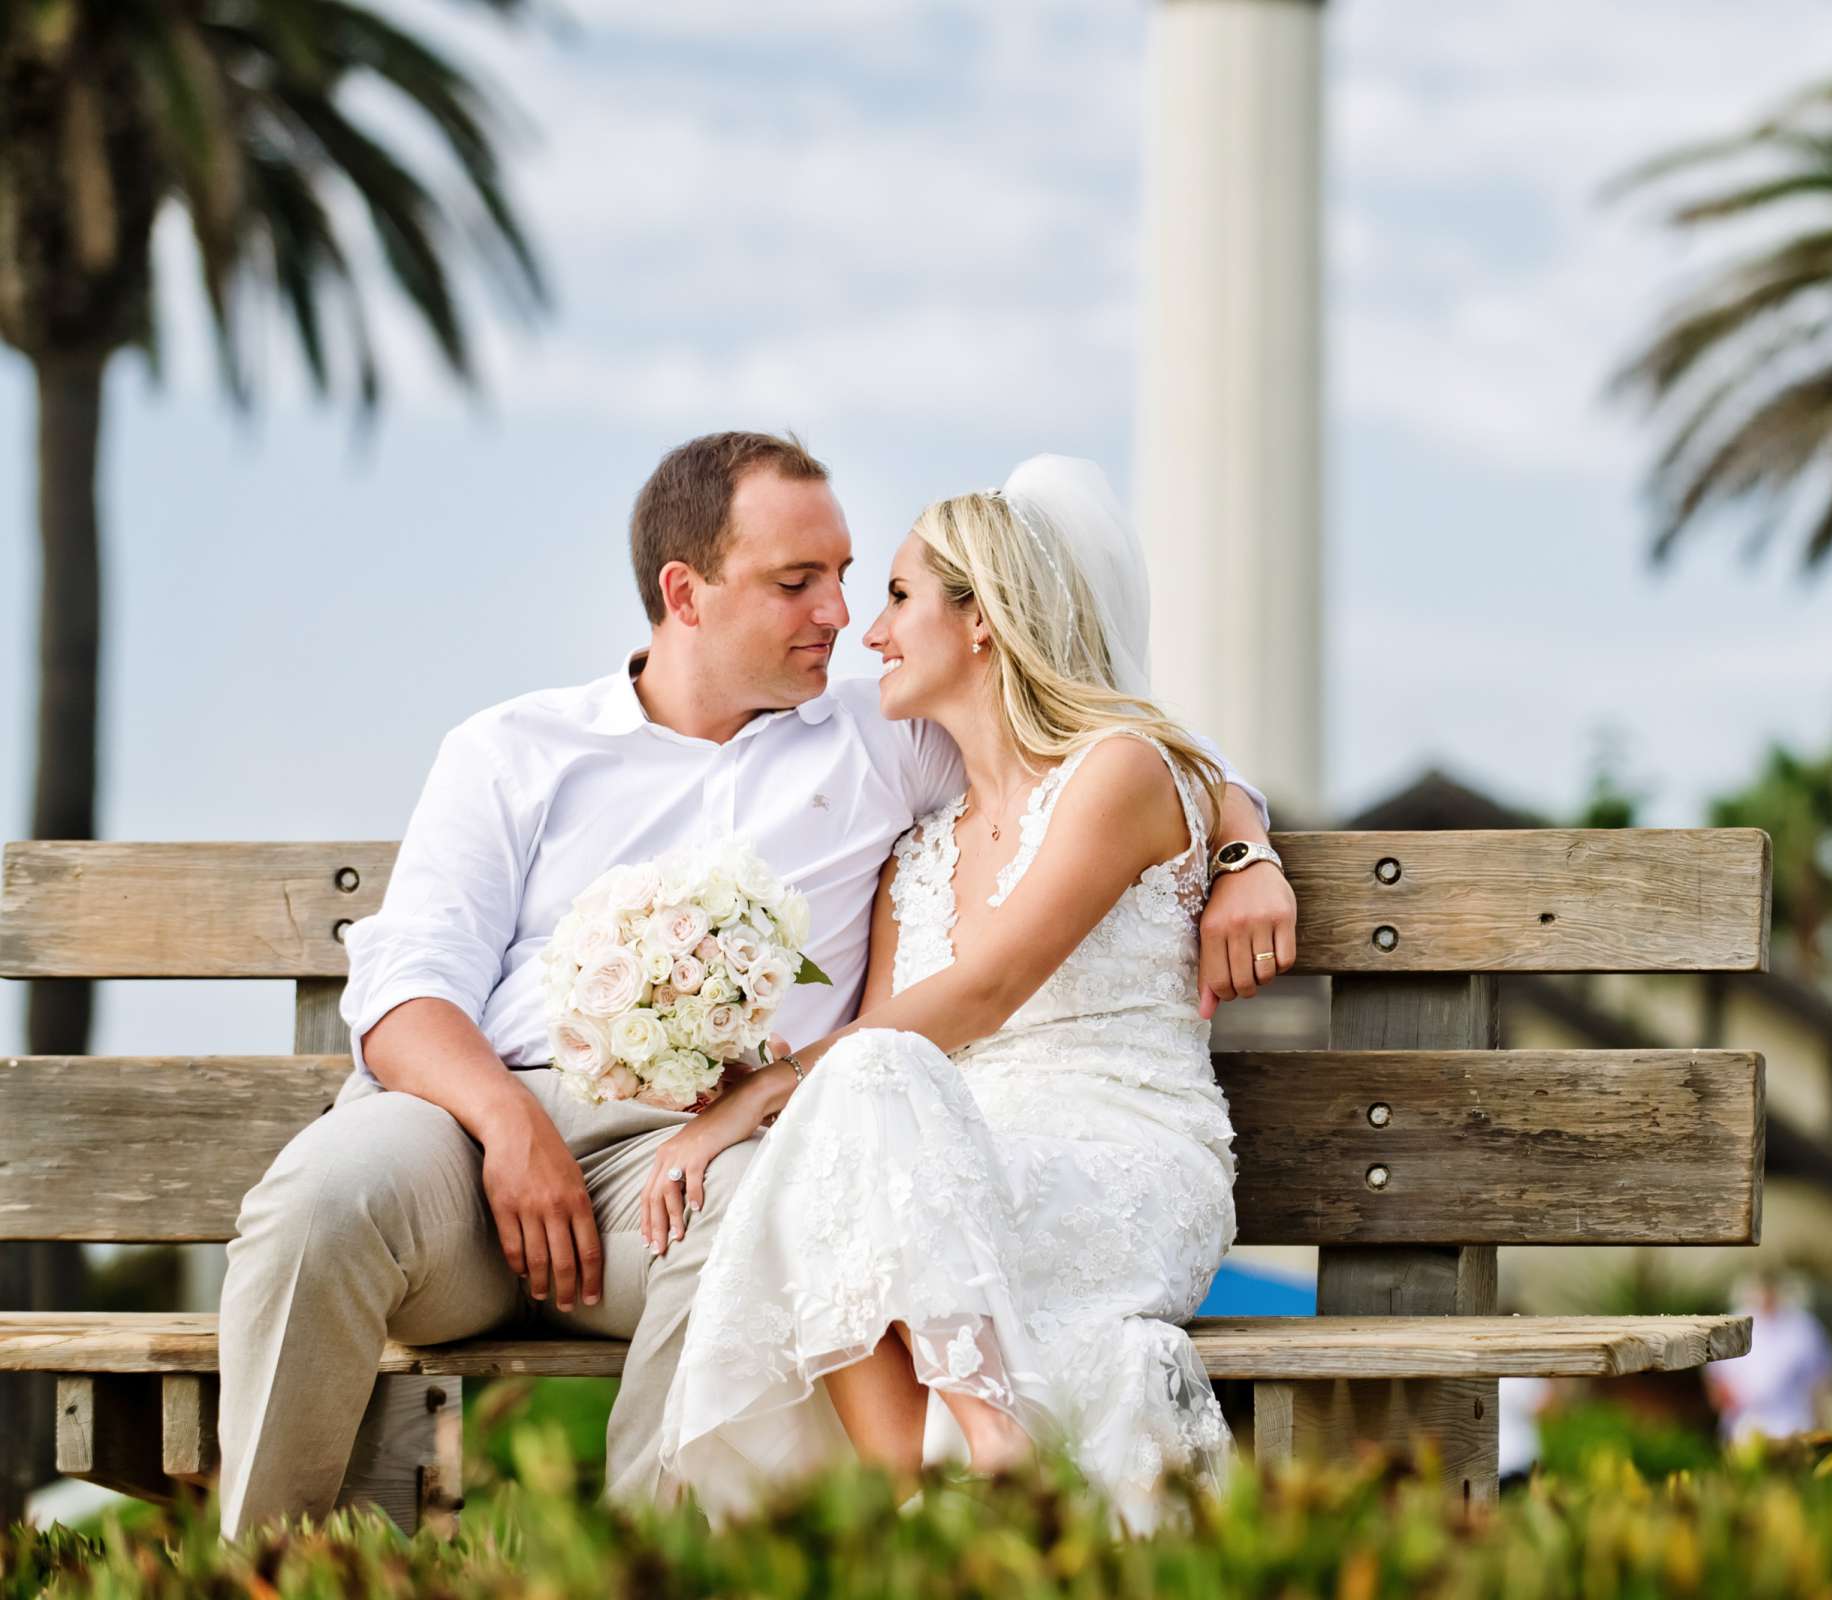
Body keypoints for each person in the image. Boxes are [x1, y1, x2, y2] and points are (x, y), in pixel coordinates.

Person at [210, 434, 1293, 1538]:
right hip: (472, 1128)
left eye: (850, 576)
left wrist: (1246, 847)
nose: (840, 612)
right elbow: (405, 990)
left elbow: (1112, 727)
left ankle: (641, 1566)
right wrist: (503, 1124)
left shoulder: (886, 734)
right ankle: (254, 1568)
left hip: (699, 1164)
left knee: (768, 1225)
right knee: (318, 1205)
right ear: (686, 592)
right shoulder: (514, 750)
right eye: (797, 582)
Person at [647, 459, 1248, 1531]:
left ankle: (991, 1457)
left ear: (982, 620)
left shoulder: (1117, 772)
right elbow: (883, 1047)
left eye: (895, 597)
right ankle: (926, 1504)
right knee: (854, 1136)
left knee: (859, 1102)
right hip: (960, 1153)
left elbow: (986, 989)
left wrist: (750, 1103)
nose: (867, 633)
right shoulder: (914, 853)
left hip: (1121, 1146)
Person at [1702, 1272, 1832, 1442]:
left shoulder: (1803, 1327)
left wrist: (1821, 1421)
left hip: (1794, 1429)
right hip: (1744, 1431)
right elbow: (1715, 1379)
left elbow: (1822, 1378)